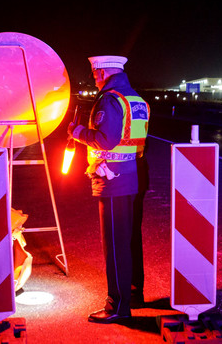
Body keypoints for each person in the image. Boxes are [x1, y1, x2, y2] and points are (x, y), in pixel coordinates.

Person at [68, 55, 150, 324]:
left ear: (101, 71)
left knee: (114, 246)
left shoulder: (109, 99)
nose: (94, 77)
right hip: (133, 175)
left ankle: (117, 306)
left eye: (94, 73)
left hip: (113, 180)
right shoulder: (135, 98)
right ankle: (131, 296)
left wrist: (78, 132)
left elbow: (106, 140)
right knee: (127, 241)